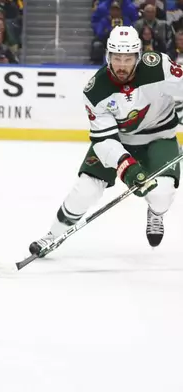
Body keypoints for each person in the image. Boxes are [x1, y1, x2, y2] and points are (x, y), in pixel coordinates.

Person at [29, 26, 181, 257]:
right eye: (117, 58)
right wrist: (126, 168)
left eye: (128, 58)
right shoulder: (96, 90)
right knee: (85, 190)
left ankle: (156, 213)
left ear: (138, 56)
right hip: (119, 141)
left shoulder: (158, 66)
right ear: (108, 56)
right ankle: (53, 235)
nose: (122, 65)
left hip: (160, 136)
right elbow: (104, 140)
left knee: (161, 196)